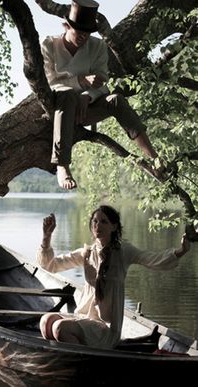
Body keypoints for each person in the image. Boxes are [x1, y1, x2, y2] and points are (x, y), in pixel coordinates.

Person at [41, 0, 163, 190]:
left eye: (87, 32)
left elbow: (103, 84)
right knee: (67, 94)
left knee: (116, 100)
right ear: (66, 26)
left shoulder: (97, 46)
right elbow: (49, 82)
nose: (83, 36)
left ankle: (155, 159)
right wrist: (80, 81)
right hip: (61, 108)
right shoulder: (49, 45)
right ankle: (62, 165)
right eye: (78, 31)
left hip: (86, 110)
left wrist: (87, 95)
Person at [37, 205, 191, 349]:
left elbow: (152, 260)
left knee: (59, 327)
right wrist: (46, 237)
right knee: (46, 321)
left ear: (114, 226)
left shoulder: (124, 251)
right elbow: (51, 265)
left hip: (106, 327)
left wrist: (181, 251)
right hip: (83, 316)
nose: (98, 225)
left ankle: (80, 365)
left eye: (104, 221)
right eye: (95, 221)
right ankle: (64, 360)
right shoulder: (87, 253)